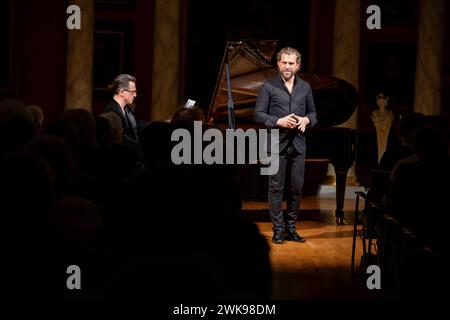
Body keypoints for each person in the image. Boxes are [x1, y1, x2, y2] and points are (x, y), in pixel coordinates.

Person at [254, 47, 317, 244]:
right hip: (276, 143)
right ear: (278, 64)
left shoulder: (305, 87)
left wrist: (307, 120)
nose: (287, 66)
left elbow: (314, 114)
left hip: (298, 144)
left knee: (297, 188)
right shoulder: (268, 87)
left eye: (291, 63)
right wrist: (277, 121)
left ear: (298, 66)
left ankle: (291, 228)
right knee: (276, 188)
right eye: (284, 62)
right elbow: (258, 114)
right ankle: (278, 230)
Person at [104, 74, 141, 150]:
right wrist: (140, 148)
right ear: (121, 92)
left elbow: (137, 125)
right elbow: (121, 139)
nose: (135, 95)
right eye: (133, 92)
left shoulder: (127, 109)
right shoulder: (111, 111)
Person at [371, 93, 394, 163]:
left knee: (385, 147)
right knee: (379, 147)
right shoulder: (375, 113)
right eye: (380, 102)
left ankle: (382, 162)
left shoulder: (390, 113)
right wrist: (383, 122)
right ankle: (380, 162)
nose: (381, 104)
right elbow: (375, 122)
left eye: (383, 102)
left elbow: (388, 121)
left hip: (386, 133)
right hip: (378, 132)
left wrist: (379, 122)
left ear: (386, 103)